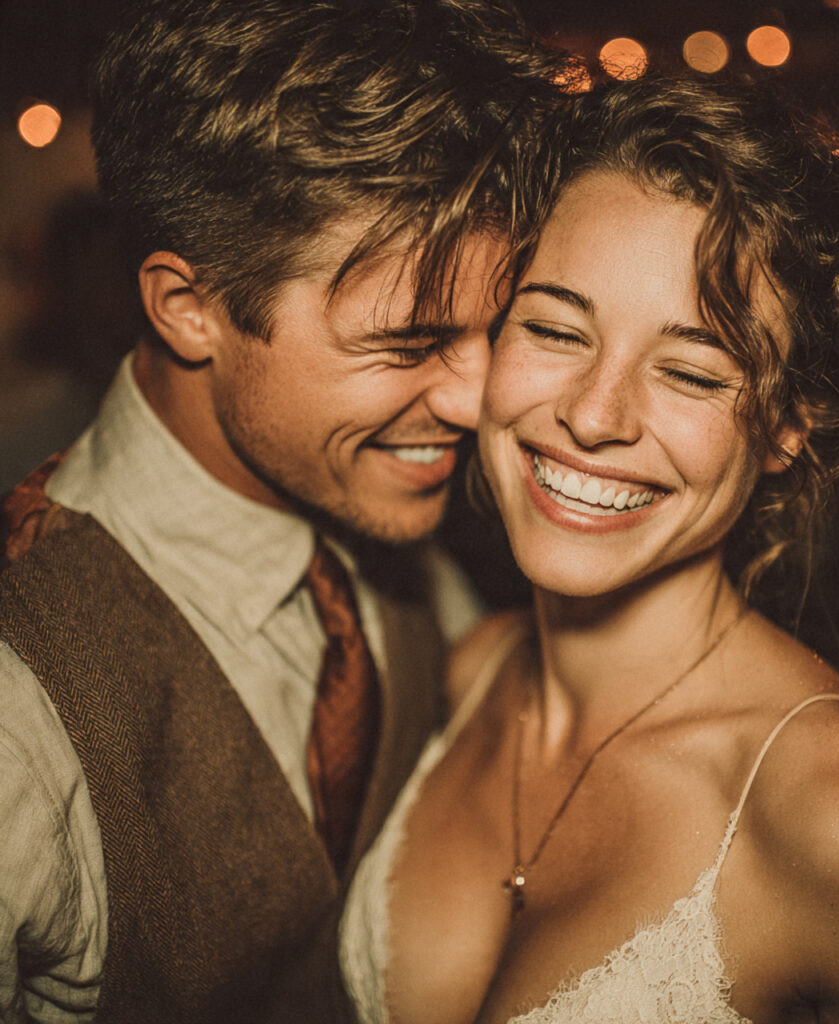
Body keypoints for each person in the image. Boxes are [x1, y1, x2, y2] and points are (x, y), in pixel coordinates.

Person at [339, 73, 839, 1023]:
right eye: (556, 328)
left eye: (691, 371)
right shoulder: (467, 673)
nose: (592, 417)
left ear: (786, 427)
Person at [0, 1, 574, 1020]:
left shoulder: (390, 535)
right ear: (190, 307)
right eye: (407, 341)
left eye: (500, 326)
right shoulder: (21, 722)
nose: (481, 399)